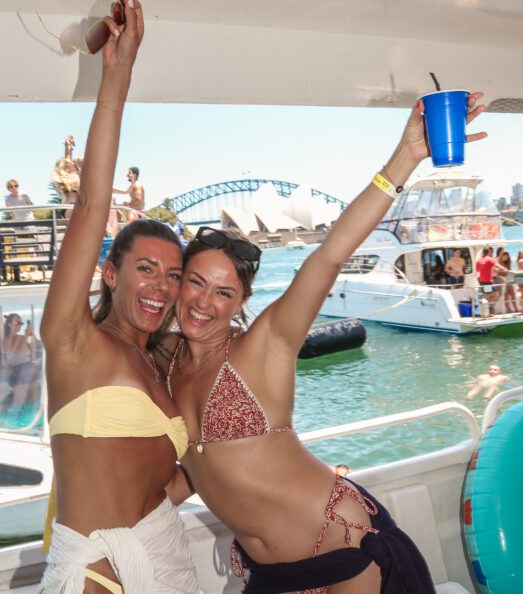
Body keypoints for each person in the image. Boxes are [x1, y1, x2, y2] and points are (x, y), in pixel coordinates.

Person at [156, 92, 487, 593]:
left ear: (242, 301)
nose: (204, 302)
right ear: (177, 282)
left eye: (224, 292)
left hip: (343, 547)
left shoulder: (262, 345)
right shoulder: (166, 361)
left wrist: (406, 157)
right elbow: (197, 467)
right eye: (196, 282)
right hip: (272, 571)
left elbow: (330, 255)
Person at [39, 0, 198, 593]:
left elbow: (167, 484)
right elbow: (91, 204)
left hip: (166, 561)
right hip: (96, 578)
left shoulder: (163, 368)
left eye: (174, 274)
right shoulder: (73, 342)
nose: (163, 285)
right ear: (110, 272)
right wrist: (118, 78)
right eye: (146, 269)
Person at [51, 139, 82, 220]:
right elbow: (67, 159)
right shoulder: (69, 178)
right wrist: (67, 147)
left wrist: (68, 146)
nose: (72, 162)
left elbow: (68, 158)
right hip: (71, 206)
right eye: (71, 162)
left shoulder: (74, 176)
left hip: (68, 207)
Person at [494, 248, 518, 313]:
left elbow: (509, 272)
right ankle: (509, 309)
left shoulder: (507, 263)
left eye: (507, 256)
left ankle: (516, 308)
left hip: (508, 279)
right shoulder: (498, 262)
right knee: (506, 294)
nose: (506, 257)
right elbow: (498, 271)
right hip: (502, 279)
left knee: (512, 294)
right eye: (504, 255)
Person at [475, 246, 498, 314]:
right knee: (487, 296)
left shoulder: (479, 260)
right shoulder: (490, 259)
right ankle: (487, 311)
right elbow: (497, 265)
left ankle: (490, 308)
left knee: (494, 294)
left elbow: (477, 270)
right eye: (491, 251)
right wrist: (505, 270)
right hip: (487, 281)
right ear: (488, 252)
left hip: (482, 280)